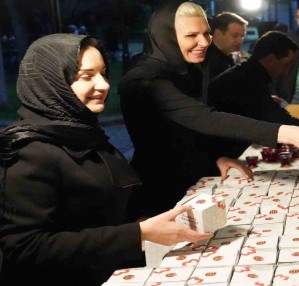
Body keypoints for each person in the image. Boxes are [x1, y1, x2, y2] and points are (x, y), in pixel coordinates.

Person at [0, 34, 212, 285]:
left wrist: (147, 223)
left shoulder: (81, 132)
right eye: (86, 76)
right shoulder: (28, 152)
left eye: (103, 73)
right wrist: (139, 234)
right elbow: (24, 249)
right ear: (51, 83)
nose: (103, 85)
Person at [119, 0, 299, 219]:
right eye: (191, 35)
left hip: (189, 179)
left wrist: (214, 159)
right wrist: (288, 132)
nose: (204, 42)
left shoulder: (186, 70)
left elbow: (182, 136)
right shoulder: (144, 78)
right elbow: (204, 118)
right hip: (157, 192)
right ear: (165, 35)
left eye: (207, 33)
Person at [208, 31, 299, 131]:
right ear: (270, 59)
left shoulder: (248, 73)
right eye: (286, 65)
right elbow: (281, 121)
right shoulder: (248, 80)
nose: (287, 72)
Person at [201, 11, 248, 103]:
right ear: (218, 33)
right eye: (235, 35)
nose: (240, 41)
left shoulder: (228, 58)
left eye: (242, 36)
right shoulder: (205, 60)